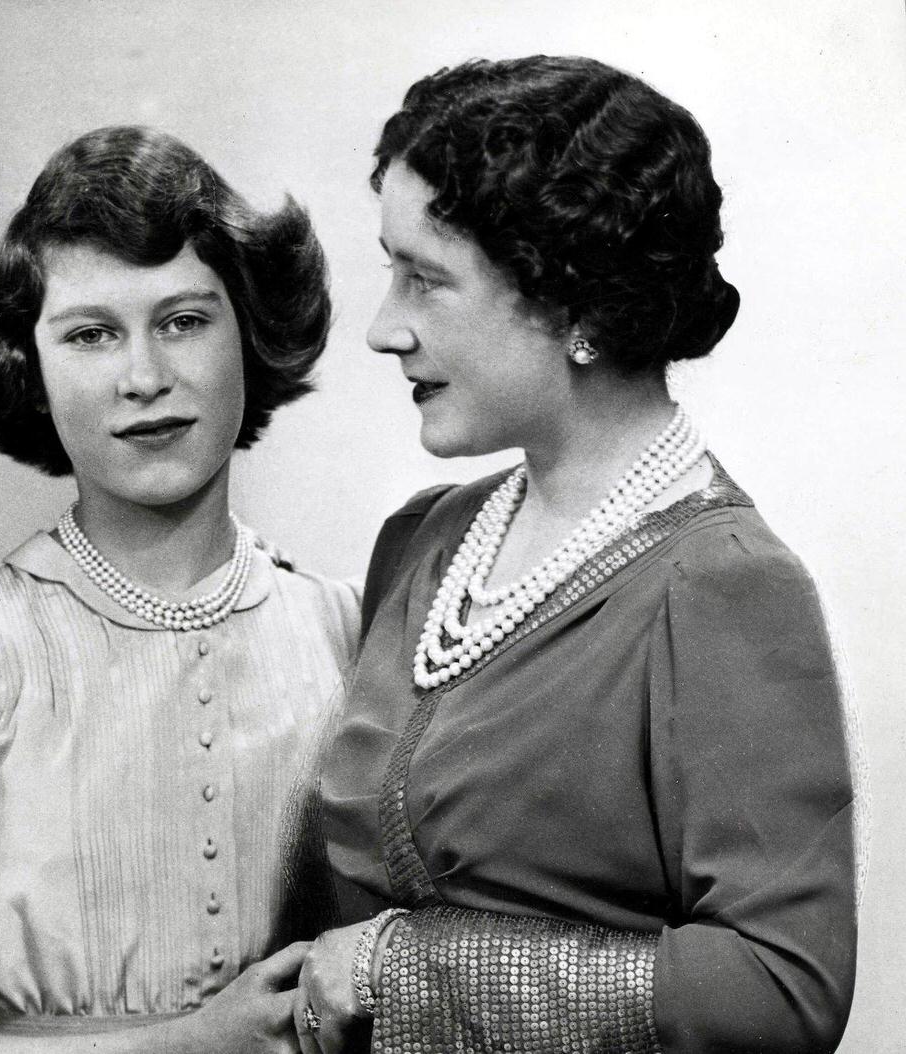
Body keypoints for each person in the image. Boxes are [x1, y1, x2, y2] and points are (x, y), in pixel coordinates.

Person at [299, 57, 859, 1053]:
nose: (384, 328)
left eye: (423, 278)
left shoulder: (724, 586)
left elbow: (782, 991)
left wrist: (400, 970)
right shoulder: (423, 542)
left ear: (574, 307)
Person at [0, 125, 360, 1054]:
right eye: (91, 335)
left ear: (252, 335)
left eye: (185, 322)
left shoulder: (341, 626)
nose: (144, 378)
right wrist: (186, 1044)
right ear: (30, 369)